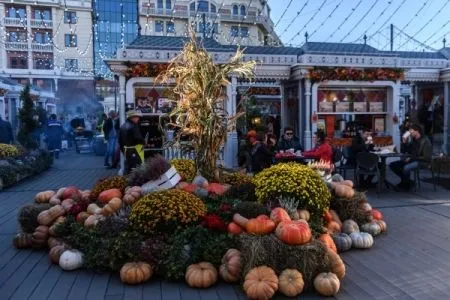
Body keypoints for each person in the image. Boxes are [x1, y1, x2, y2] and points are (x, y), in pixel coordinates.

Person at [390, 124, 432, 190]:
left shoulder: (425, 141)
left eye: (411, 131)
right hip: (412, 159)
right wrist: (404, 142)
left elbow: (427, 157)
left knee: (406, 168)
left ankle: (405, 185)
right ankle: (407, 182)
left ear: (417, 131)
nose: (410, 132)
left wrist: (411, 158)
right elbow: (406, 151)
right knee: (393, 165)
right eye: (409, 131)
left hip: (422, 161)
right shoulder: (413, 139)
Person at [119, 110, 145, 175]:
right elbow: (138, 138)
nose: (138, 118)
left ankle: (126, 180)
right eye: (137, 117)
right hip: (135, 150)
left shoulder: (122, 126)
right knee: (136, 167)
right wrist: (144, 142)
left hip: (126, 150)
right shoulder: (133, 127)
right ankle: (134, 182)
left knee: (128, 166)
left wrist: (123, 150)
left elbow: (120, 140)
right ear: (132, 117)